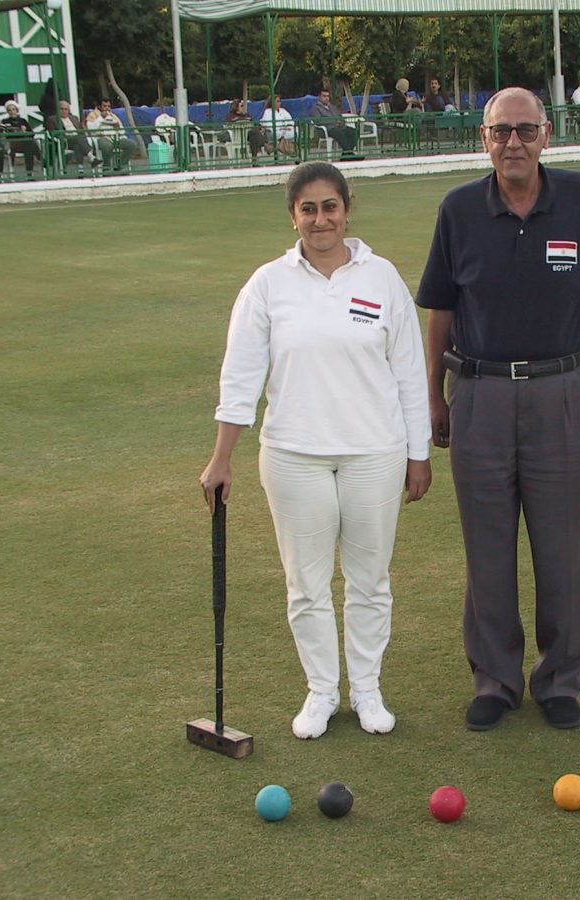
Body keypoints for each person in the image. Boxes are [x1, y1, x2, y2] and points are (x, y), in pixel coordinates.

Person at [415, 87, 580, 733]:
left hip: (562, 389)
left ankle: (560, 679)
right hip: (478, 392)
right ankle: (497, 680)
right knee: (487, 549)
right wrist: (433, 395)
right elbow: (440, 312)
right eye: (502, 131)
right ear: (484, 138)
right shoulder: (458, 210)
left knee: (563, 546)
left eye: (526, 130)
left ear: (547, 134)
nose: (514, 142)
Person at [199, 161, 432, 740]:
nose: (321, 219)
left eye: (330, 206)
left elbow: (408, 373)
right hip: (293, 454)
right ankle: (322, 692)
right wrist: (221, 456)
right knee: (306, 585)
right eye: (309, 209)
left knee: (369, 582)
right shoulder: (267, 285)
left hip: (374, 452)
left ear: (347, 209)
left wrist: (418, 453)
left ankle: (368, 690)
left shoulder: (382, 279)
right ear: (293, 216)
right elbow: (241, 377)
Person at [0, 100, 41, 178]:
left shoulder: (23, 121)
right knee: (29, 143)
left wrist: (24, 131)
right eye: (9, 110)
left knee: (29, 147)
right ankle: (40, 158)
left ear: (17, 110)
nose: (12, 112)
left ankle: (29, 173)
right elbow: (0, 134)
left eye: (13, 109)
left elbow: (32, 134)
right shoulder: (5, 121)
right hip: (12, 143)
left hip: (24, 143)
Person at [85, 98, 138, 170]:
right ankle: (106, 168)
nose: (107, 108)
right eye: (104, 106)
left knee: (132, 145)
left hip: (116, 138)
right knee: (107, 146)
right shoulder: (92, 115)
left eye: (108, 106)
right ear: (99, 106)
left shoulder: (113, 116)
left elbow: (122, 131)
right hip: (101, 137)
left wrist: (117, 127)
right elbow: (91, 129)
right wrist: (101, 117)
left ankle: (120, 165)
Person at [309, 87, 360, 159]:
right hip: (327, 129)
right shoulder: (315, 109)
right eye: (324, 96)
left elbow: (340, 117)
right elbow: (318, 121)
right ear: (319, 97)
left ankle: (346, 154)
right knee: (338, 132)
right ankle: (349, 154)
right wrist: (334, 122)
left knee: (354, 132)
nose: (326, 98)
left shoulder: (332, 107)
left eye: (328, 96)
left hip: (339, 127)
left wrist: (341, 122)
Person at [47, 99, 94, 170]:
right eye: (61, 109)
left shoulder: (74, 118)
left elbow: (81, 131)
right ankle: (91, 157)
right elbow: (52, 133)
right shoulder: (52, 119)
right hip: (65, 140)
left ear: (68, 110)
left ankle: (80, 169)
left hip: (77, 139)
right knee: (79, 139)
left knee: (78, 145)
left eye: (66, 109)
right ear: (58, 109)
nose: (63, 111)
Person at [249, 95, 295, 159]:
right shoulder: (267, 112)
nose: (279, 103)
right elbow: (267, 124)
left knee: (294, 132)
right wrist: (281, 128)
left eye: (280, 101)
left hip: (287, 130)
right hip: (274, 131)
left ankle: (283, 148)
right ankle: (287, 150)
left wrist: (287, 126)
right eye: (277, 101)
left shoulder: (283, 111)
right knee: (282, 134)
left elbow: (290, 121)